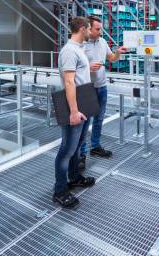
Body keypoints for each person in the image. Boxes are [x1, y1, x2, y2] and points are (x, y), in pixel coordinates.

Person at [52, 17, 95, 209]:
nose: (91, 32)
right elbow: (69, 82)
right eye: (89, 29)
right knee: (67, 150)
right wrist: (74, 111)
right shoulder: (69, 51)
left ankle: (75, 177)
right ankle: (60, 190)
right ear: (83, 28)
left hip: (83, 100)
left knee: (77, 145)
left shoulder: (78, 49)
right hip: (74, 106)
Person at [78, 16, 127, 169]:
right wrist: (88, 67)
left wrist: (117, 52)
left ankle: (95, 146)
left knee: (99, 119)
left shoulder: (103, 42)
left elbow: (111, 58)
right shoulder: (80, 45)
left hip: (101, 86)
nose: (101, 31)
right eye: (97, 29)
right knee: (85, 123)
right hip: (87, 87)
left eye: (101, 28)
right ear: (88, 29)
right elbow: (73, 68)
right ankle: (81, 154)